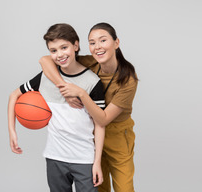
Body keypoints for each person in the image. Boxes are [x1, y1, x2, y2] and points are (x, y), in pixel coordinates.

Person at [39, 22, 138, 192]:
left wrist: (81, 94)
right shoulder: (92, 62)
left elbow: (104, 119)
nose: (97, 47)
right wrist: (65, 89)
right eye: (92, 43)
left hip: (117, 137)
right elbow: (45, 60)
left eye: (103, 40)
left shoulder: (128, 79)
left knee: (125, 188)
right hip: (91, 138)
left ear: (116, 42)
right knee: (100, 187)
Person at [8, 23, 106, 192]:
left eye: (64, 47)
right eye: (53, 51)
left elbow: (100, 124)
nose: (59, 54)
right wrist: (12, 132)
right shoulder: (46, 77)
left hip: (84, 159)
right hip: (54, 157)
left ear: (75, 45)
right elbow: (13, 96)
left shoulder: (93, 82)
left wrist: (97, 162)